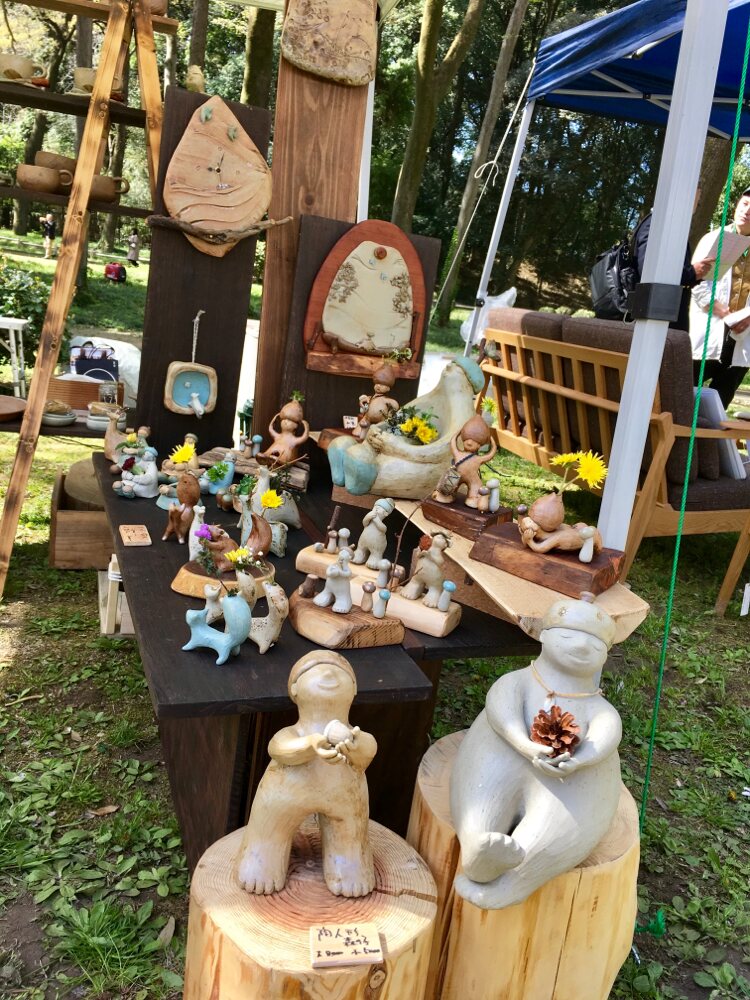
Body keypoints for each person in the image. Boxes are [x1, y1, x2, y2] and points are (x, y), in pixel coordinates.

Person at [689, 187, 750, 408]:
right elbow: (696, 283)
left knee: (719, 404)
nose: (747, 211)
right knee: (683, 395)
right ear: (736, 206)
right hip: (710, 329)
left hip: (742, 336)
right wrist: (722, 311)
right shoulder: (714, 238)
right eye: (744, 204)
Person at [633, 188, 713, 333]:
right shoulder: (656, 224)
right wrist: (692, 273)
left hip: (665, 318)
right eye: (695, 199)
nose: (696, 205)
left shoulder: (672, 227)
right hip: (653, 322)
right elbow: (648, 270)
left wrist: (696, 274)